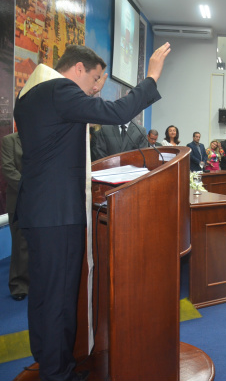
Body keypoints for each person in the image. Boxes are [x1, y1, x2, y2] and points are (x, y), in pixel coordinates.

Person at [14, 42, 171, 381]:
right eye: (97, 78)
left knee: (43, 294)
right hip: (58, 214)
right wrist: (151, 78)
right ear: (78, 69)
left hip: (39, 211)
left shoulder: (30, 95)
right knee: (58, 297)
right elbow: (116, 113)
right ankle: (58, 374)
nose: (97, 87)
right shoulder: (60, 90)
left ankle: (48, 361)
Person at [1, 132, 28, 301]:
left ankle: (37, 282)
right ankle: (19, 285)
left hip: (41, 199)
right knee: (20, 243)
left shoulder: (40, 137)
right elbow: (7, 168)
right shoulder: (9, 141)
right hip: (18, 199)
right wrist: (29, 187)